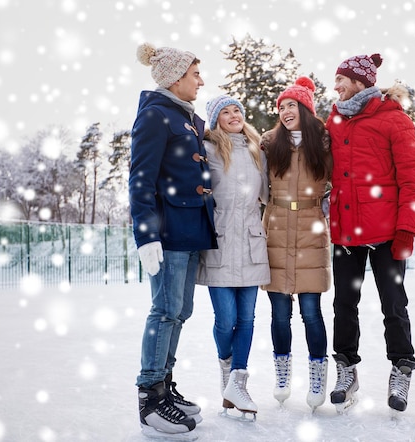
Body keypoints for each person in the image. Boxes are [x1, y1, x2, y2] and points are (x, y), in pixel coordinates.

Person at [325, 53, 415, 414]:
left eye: (340, 80)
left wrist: (406, 230)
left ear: (360, 82)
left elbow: (412, 179)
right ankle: (346, 369)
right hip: (346, 232)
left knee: (393, 305)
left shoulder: (393, 120)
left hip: (387, 234)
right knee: (343, 306)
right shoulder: (334, 121)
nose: (335, 86)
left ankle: (401, 367)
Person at [129, 42, 217, 435]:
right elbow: (141, 180)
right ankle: (150, 398)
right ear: (175, 78)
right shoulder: (155, 116)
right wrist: (146, 236)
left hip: (191, 229)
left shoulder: (189, 119)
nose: (201, 81)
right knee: (164, 310)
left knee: (180, 312)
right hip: (166, 232)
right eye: (195, 74)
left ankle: (165, 387)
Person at [260, 76, 333, 412]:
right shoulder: (269, 143)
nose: (286, 110)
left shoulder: (325, 142)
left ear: (305, 108)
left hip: (310, 229)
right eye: (282, 106)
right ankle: (282, 372)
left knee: (311, 312)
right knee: (278, 314)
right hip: (275, 228)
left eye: (292, 104)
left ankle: (318, 375)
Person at [195, 95, 270, 421]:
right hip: (221, 244)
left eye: (236, 109)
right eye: (225, 112)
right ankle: (226, 367)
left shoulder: (258, 151)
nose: (233, 115)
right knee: (226, 320)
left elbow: (269, 193)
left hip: (253, 243)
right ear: (216, 121)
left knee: (249, 318)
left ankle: (238, 380)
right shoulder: (209, 150)